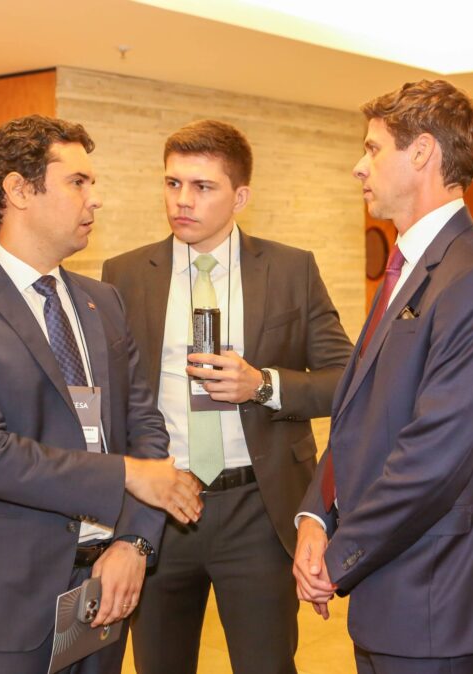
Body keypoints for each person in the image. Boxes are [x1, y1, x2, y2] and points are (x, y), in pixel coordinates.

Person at [0, 115, 203, 674]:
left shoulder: (102, 301)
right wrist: (125, 474)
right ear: (19, 191)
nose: (95, 199)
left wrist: (134, 544)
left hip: (106, 583)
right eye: (78, 182)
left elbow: (144, 425)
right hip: (6, 595)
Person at [294, 80, 473, 674]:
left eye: (373, 149)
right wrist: (316, 516)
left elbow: (436, 456)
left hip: (435, 597)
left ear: (423, 152)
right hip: (390, 588)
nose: (359, 167)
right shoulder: (410, 265)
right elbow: (361, 412)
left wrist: (340, 554)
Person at [102, 119, 353, 674]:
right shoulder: (124, 274)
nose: (182, 201)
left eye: (202, 187)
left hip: (257, 508)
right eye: (173, 183)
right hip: (161, 507)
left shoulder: (291, 270)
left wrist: (262, 385)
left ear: (240, 197)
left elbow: (348, 379)